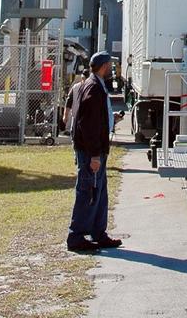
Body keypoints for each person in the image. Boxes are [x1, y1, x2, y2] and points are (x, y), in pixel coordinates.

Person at [66, 51, 122, 254]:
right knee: (88, 191)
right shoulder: (93, 88)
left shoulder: (89, 85)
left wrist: (110, 120)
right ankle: (76, 236)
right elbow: (87, 124)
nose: (112, 69)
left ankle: (98, 232)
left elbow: (92, 119)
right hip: (92, 152)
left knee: (99, 192)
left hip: (94, 149)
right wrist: (95, 155)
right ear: (104, 66)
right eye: (110, 65)